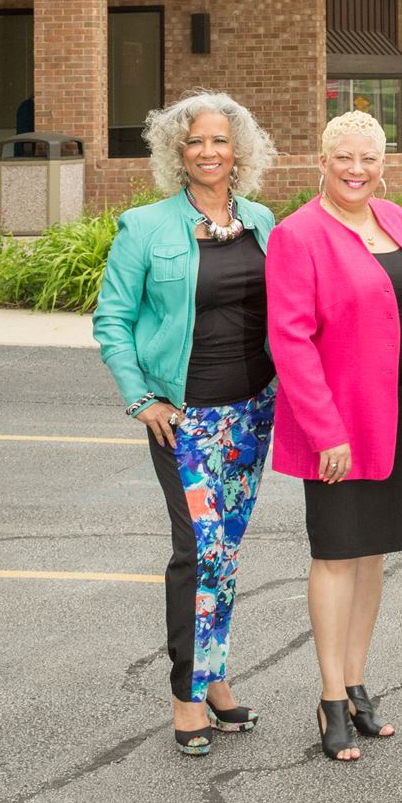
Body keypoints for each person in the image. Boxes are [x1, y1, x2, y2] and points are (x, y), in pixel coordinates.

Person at [92, 90, 282, 757]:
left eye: (220, 141)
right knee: (197, 550)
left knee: (225, 553)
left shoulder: (260, 220)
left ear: (240, 152)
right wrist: (142, 400)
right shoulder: (144, 228)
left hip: (254, 412)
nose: (208, 151)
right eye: (195, 141)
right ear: (178, 152)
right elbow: (111, 320)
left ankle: (217, 679)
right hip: (185, 420)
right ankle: (185, 693)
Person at [267, 110, 402, 764]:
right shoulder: (297, 235)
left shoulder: (396, 222)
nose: (357, 169)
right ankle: (330, 695)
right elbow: (291, 340)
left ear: (384, 162)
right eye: (345, 158)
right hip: (335, 422)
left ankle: (357, 682)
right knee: (335, 554)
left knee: (371, 555)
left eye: (369, 157)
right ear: (322, 162)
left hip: (389, 417)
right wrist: (324, 429)